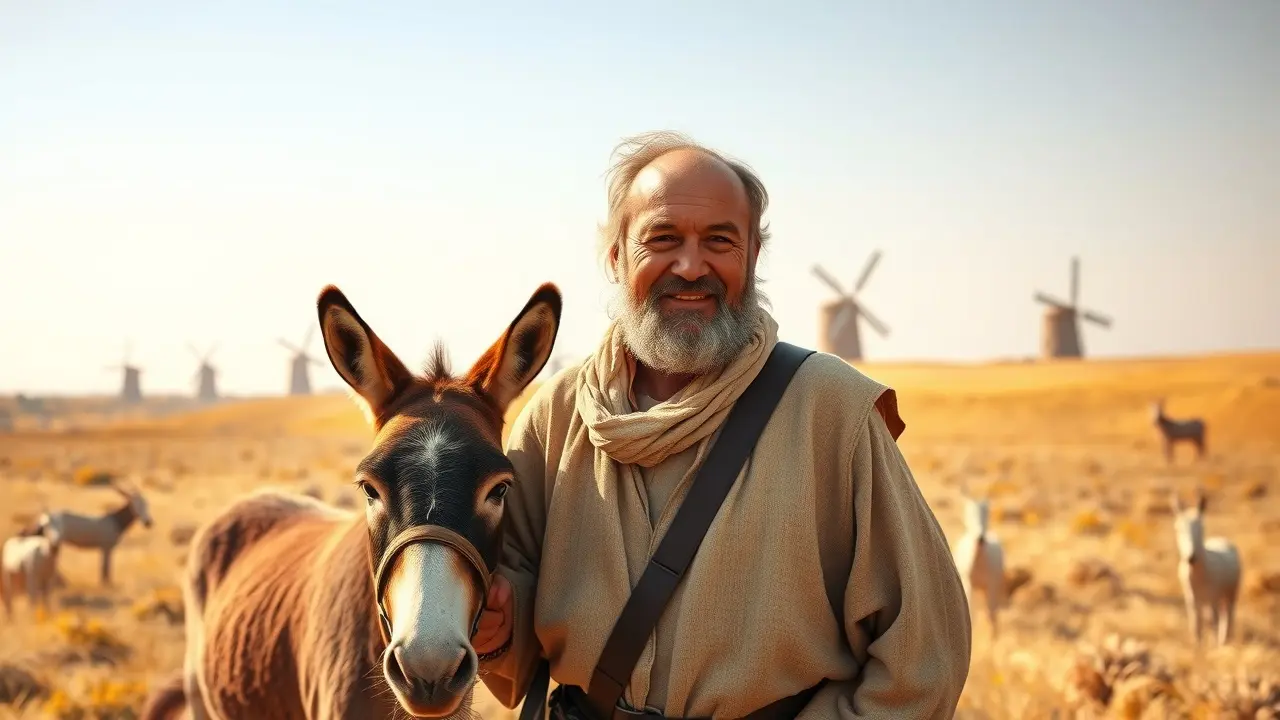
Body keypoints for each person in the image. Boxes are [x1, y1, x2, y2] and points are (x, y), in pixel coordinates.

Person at [474, 131, 972, 718]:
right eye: (661, 240)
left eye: (719, 240)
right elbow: (516, 618)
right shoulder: (553, 419)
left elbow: (925, 653)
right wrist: (497, 630)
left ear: (752, 257)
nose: (690, 266)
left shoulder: (834, 413)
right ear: (616, 257)